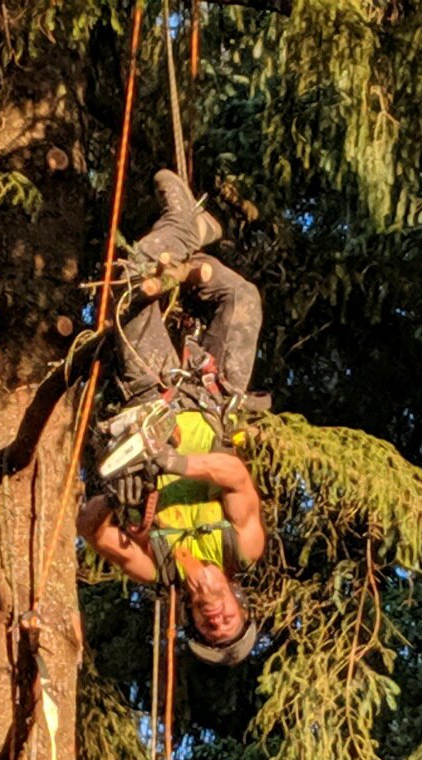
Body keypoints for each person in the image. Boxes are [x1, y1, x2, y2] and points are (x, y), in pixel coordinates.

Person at [77, 170, 265, 666]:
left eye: (209, 629)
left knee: (131, 287)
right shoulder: (242, 547)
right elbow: (234, 475)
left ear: (192, 621)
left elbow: (92, 531)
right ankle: (186, 230)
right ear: (240, 606)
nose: (216, 621)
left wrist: (113, 488)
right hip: (212, 398)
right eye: (229, 624)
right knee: (241, 300)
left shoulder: (155, 568)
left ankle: (187, 231)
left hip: (152, 395)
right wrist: (168, 462)